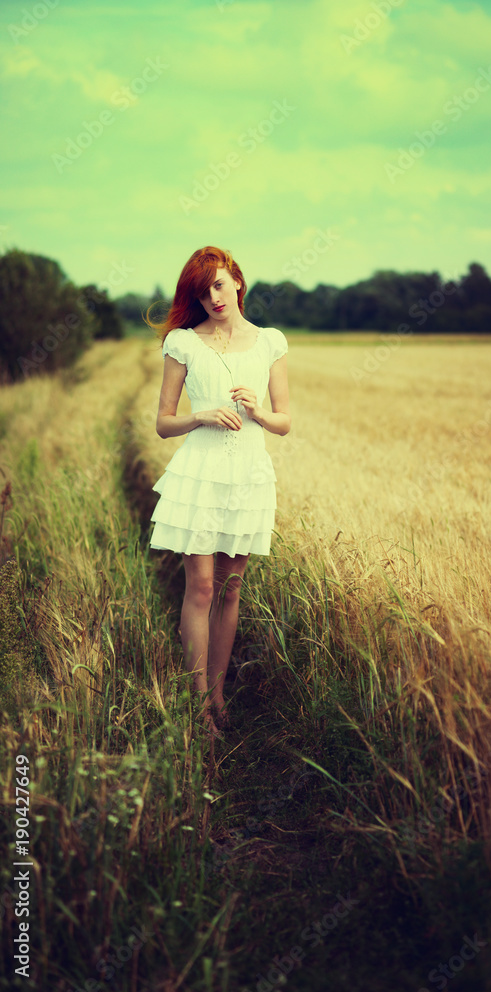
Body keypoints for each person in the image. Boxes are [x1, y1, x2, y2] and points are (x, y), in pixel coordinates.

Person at [146, 246, 290, 737]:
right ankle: (197, 705)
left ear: (238, 284)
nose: (213, 296)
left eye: (220, 284)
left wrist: (260, 412)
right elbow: (163, 424)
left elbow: (284, 421)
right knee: (202, 587)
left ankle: (219, 695)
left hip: (248, 475)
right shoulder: (183, 344)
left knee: (231, 589)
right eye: (202, 289)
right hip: (201, 473)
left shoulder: (271, 342)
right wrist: (201, 415)